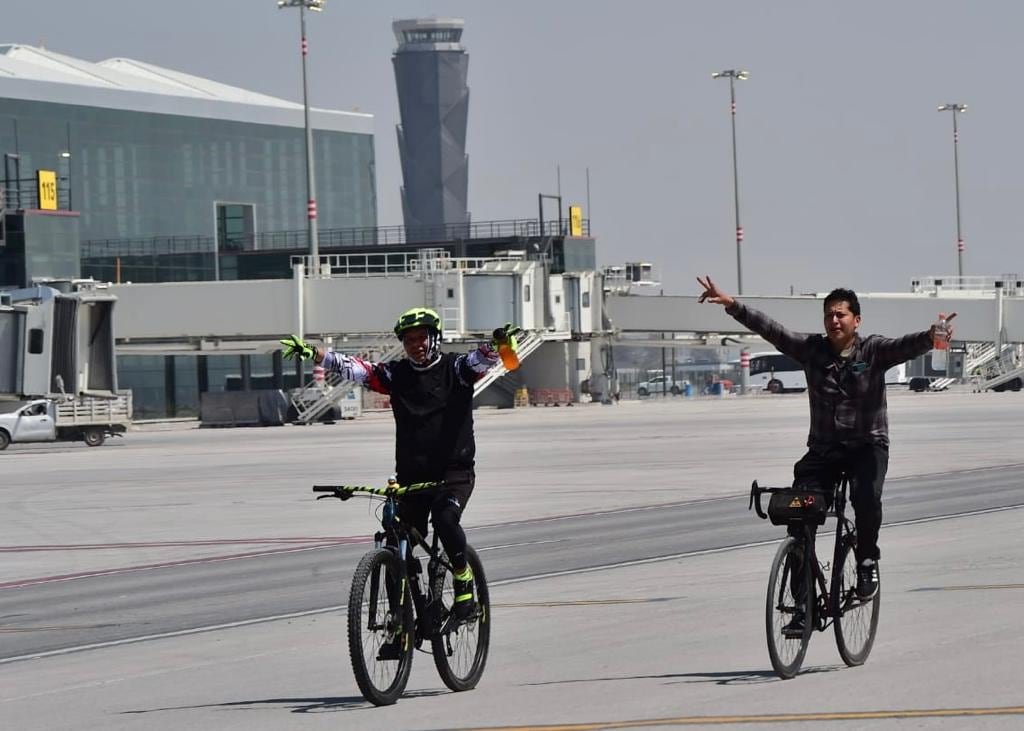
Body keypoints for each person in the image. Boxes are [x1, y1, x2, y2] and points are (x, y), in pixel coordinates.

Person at [696, 275, 953, 614]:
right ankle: (801, 591)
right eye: (829, 314)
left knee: (866, 497)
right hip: (824, 449)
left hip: (867, 446)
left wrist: (932, 336)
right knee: (799, 508)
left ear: (856, 320)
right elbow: (772, 330)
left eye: (841, 314)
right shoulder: (812, 350)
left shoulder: (873, 350)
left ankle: (865, 561)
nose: (834, 320)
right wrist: (732, 305)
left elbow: (906, 345)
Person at [280, 308, 519, 623]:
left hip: (453, 472)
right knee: (395, 543)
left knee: (446, 521)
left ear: (434, 338)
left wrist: (496, 345)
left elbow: (482, 359)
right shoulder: (396, 375)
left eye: (421, 338)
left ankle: (462, 582)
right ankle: (400, 622)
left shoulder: (456, 369)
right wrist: (316, 354)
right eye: (409, 340)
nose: (416, 345)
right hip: (412, 474)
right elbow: (358, 369)